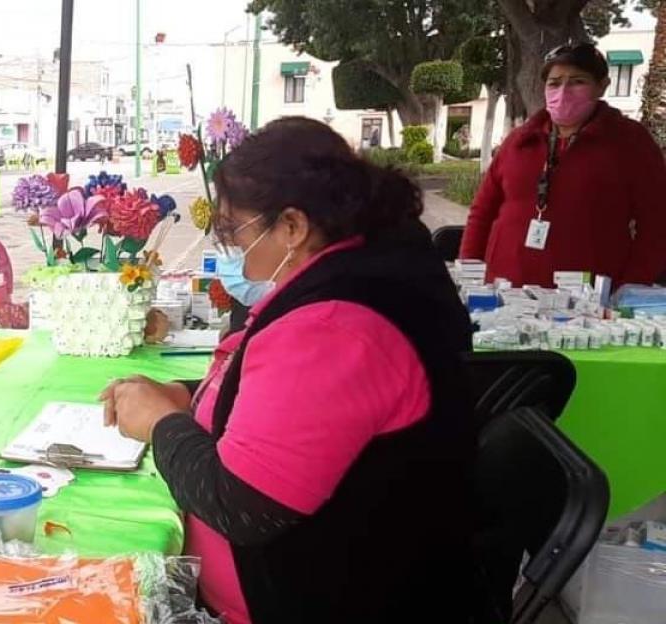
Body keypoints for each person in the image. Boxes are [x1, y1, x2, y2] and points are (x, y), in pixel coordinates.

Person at [101, 118, 476, 623]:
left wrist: (162, 425)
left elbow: (242, 504)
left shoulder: (335, 327)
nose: (230, 248)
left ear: (293, 226)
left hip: (325, 598)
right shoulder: (361, 268)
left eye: (234, 230)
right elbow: (291, 407)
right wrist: (192, 394)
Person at [460, 42, 666, 288]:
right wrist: (468, 274)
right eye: (555, 83)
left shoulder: (630, 143)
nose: (564, 90)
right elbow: (482, 212)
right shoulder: (519, 141)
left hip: (587, 303)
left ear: (602, 86)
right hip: (505, 293)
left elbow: (656, 225)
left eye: (578, 81)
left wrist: (632, 287)